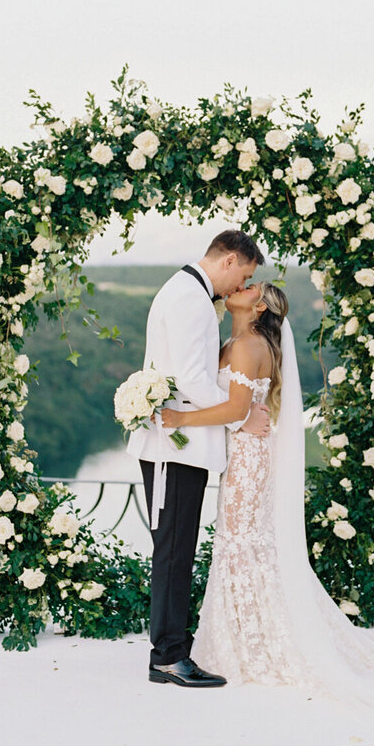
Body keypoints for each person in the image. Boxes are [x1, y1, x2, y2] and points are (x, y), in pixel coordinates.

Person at [161, 280, 374, 693]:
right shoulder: (237, 342)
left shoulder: (246, 346)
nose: (241, 287)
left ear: (259, 308)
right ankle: (246, 636)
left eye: (251, 288)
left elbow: (237, 409)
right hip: (242, 454)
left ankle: (253, 645)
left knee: (239, 543)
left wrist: (180, 419)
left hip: (247, 458)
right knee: (241, 544)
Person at [126, 230, 271, 688]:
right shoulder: (190, 298)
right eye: (243, 275)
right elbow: (191, 379)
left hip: (178, 444)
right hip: (175, 447)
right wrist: (240, 417)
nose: (240, 286)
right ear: (229, 261)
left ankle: (173, 648)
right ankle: (168, 657)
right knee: (174, 550)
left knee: (176, 547)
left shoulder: (186, 290)